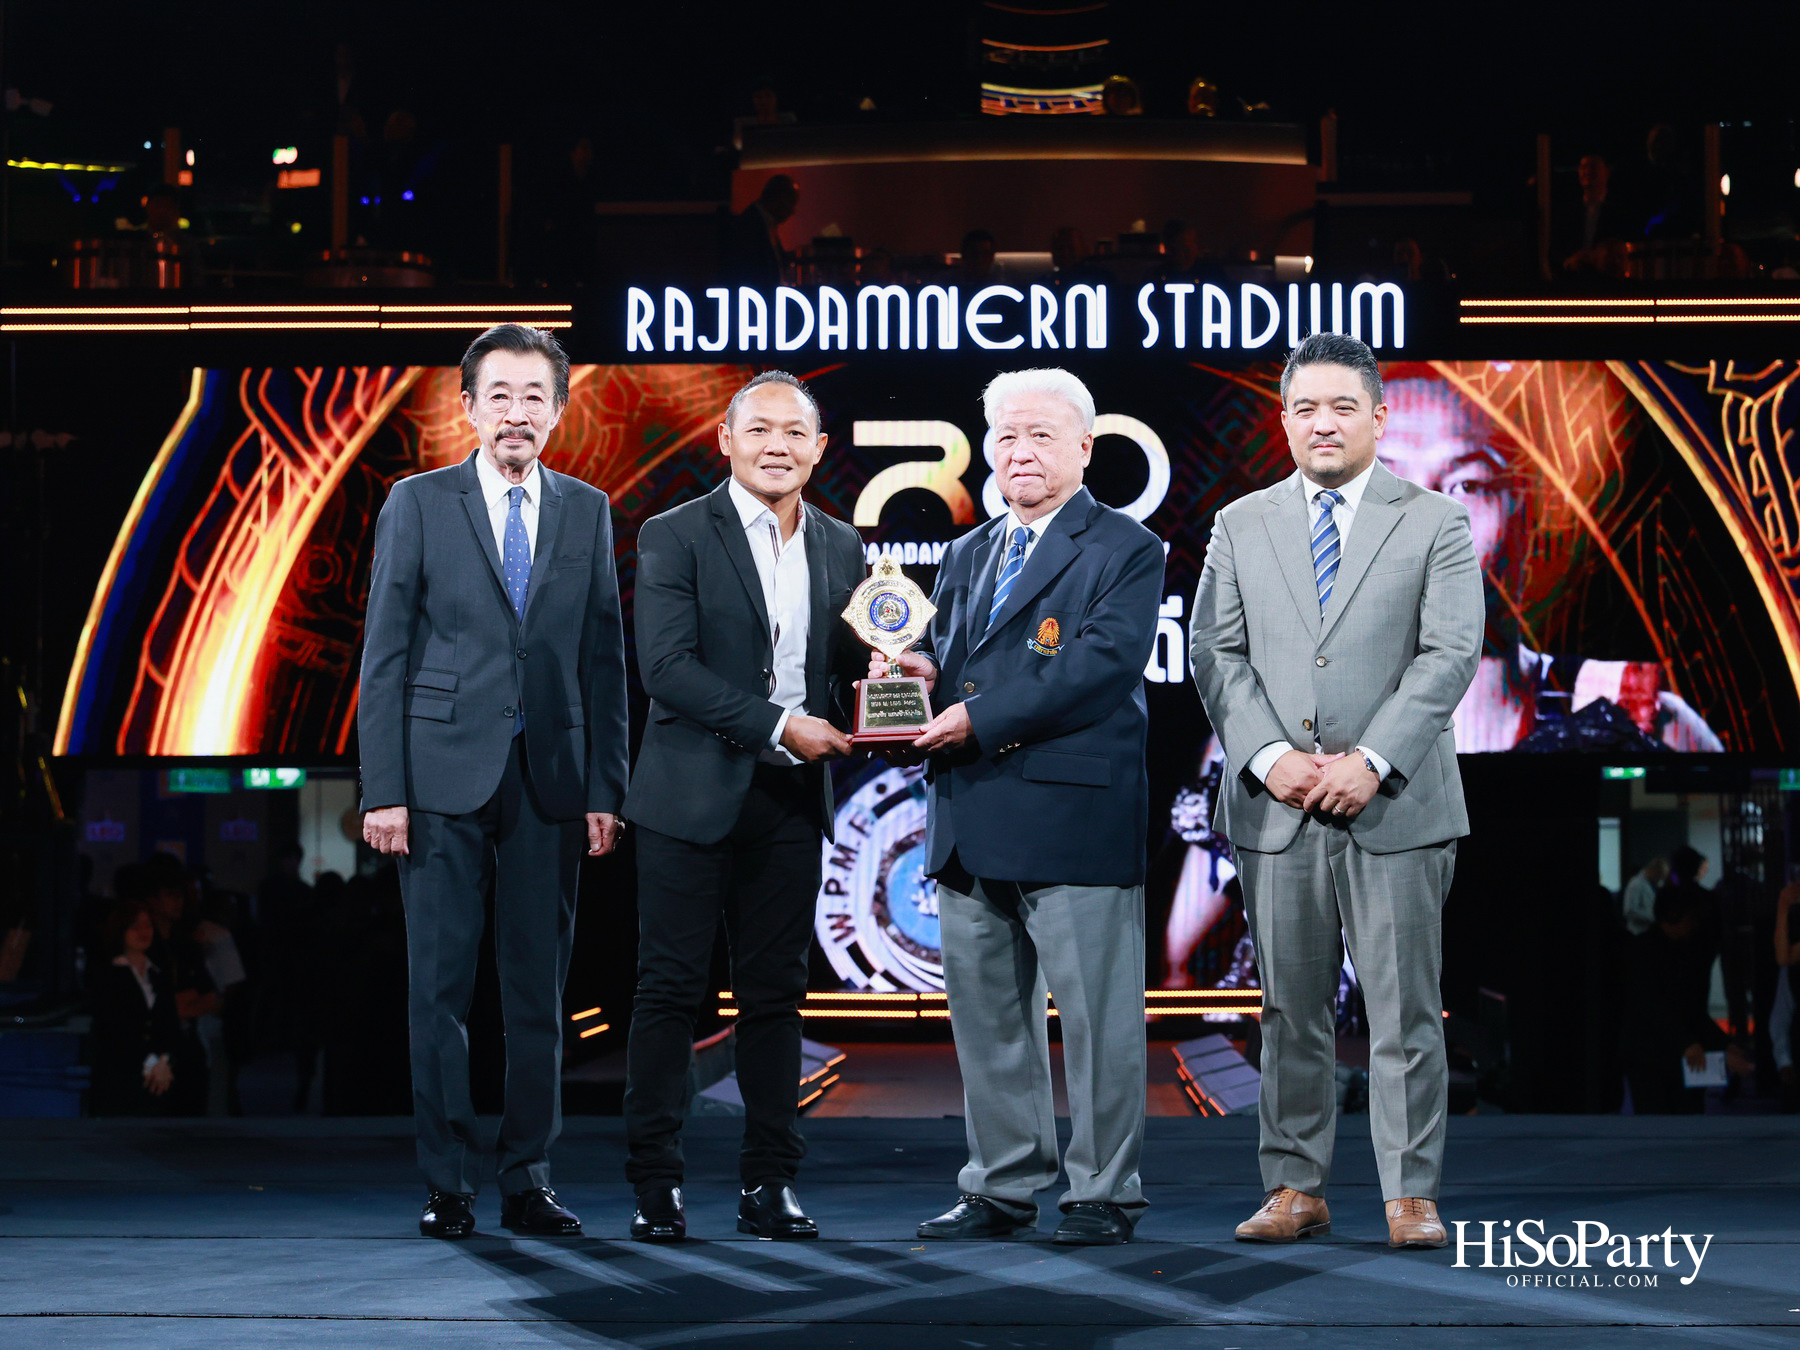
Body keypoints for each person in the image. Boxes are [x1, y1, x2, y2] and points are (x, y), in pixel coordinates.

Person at [1189, 332, 1485, 1249]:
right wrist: (1271, 756)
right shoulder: (1241, 523)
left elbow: (1449, 654)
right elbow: (1215, 652)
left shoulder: (1435, 520)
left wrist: (1373, 760)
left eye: (1342, 407)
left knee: (1404, 1010)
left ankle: (1410, 1196)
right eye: (1305, 408)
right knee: (1289, 1010)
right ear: (1284, 421)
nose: (1323, 423)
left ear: (1378, 418)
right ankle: (1295, 1188)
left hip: (1396, 802)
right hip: (1278, 805)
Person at [880, 368, 1164, 1246]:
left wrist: (977, 715)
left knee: (1097, 1021)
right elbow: (956, 656)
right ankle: (1001, 1187)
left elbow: (1099, 669)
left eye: (1039, 434)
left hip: (1073, 815)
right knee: (991, 1020)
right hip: (971, 811)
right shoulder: (969, 552)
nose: (1019, 451)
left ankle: (1105, 1192)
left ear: (1085, 446)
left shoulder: (1124, 548)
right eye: (1005, 436)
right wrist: (923, 671)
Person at [359, 323, 630, 1240]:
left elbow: (603, 657)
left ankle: (529, 1175)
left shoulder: (588, 508)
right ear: (467, 407)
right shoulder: (418, 501)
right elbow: (385, 655)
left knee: (537, 993)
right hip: (437, 780)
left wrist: (605, 786)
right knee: (436, 990)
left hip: (550, 779)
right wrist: (382, 787)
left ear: (559, 410)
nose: (517, 413)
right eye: (500, 396)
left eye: (534, 397)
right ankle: (447, 1180)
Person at [622, 371, 865, 1243]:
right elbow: (667, 670)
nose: (777, 446)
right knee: (670, 993)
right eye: (758, 430)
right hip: (688, 795)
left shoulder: (843, 545)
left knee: (776, 997)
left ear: (818, 449)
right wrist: (777, 725)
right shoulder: (674, 534)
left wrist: (891, 684)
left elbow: (842, 668)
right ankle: (656, 1183)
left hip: (790, 801)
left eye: (794, 433)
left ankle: (771, 1182)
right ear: (724, 441)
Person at [89, 902, 180, 1116]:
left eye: (147, 925)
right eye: (135, 926)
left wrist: (164, 1060)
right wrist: (150, 1061)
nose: (143, 932)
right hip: (120, 1073)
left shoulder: (158, 974)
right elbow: (114, 1026)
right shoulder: (108, 974)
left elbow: (169, 1023)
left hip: (158, 1074)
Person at [721, 175, 798, 289]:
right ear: (778, 197)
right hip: (755, 297)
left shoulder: (759, 222)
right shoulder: (750, 225)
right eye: (791, 202)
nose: (792, 211)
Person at [1621, 856, 1669, 936]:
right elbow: (1629, 911)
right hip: (1638, 932)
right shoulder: (1636, 884)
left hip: (1650, 932)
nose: (1661, 880)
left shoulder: (1655, 883)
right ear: (1654, 871)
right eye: (1660, 875)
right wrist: (1655, 918)